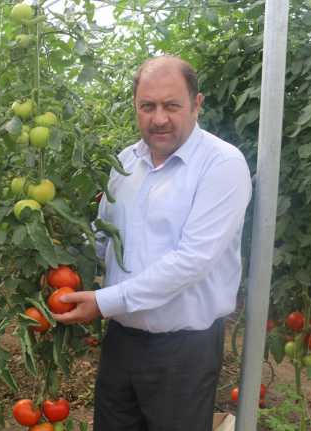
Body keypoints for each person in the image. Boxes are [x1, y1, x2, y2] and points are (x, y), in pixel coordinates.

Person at [52, 55, 252, 430]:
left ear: (197, 103)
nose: (159, 118)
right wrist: (56, 249)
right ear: (136, 107)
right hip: (122, 342)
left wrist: (103, 301)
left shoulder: (222, 164)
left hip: (183, 352)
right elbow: (103, 238)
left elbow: (191, 260)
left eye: (171, 105)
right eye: (147, 106)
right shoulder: (126, 162)